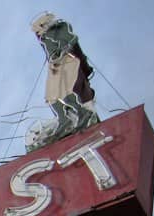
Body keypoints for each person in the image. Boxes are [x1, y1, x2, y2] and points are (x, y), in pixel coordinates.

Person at [27, 12, 100, 151]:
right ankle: (64, 119)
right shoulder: (44, 37)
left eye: (38, 28)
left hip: (67, 62)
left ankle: (82, 112)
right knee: (51, 96)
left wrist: (62, 51)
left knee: (66, 90)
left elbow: (72, 40)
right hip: (55, 66)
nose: (38, 33)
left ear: (44, 23)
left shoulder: (60, 27)